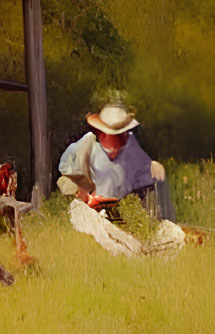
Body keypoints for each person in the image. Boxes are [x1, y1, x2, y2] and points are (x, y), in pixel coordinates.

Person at [57, 102, 178, 255]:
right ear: (103, 133)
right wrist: (84, 194)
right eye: (116, 135)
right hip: (94, 216)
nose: (121, 139)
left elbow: (142, 176)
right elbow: (65, 179)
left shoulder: (130, 147)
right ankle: (128, 254)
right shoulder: (86, 146)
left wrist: (152, 167)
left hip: (125, 219)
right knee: (79, 212)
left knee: (172, 233)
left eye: (123, 134)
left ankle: (142, 252)